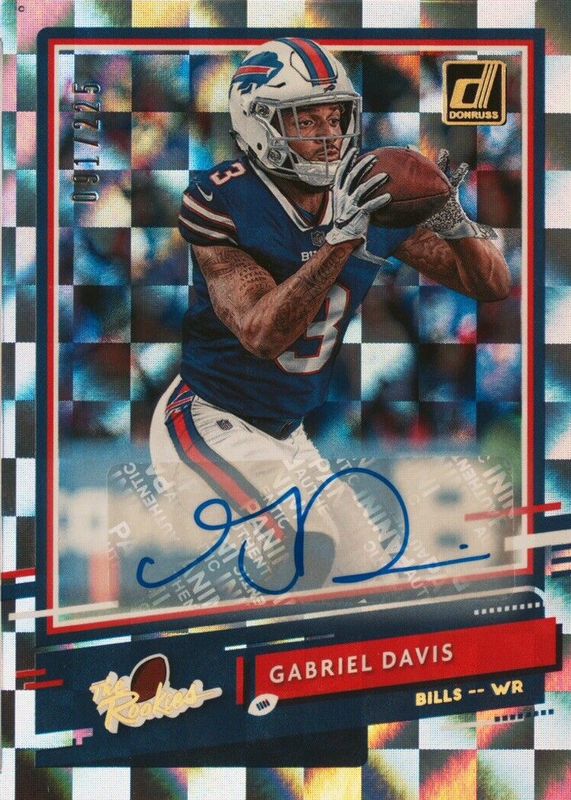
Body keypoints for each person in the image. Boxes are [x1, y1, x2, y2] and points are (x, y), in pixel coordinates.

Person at [145, 38, 511, 601]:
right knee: (301, 559)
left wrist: (451, 216)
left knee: (372, 581)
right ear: (259, 124)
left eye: (335, 116)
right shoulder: (223, 202)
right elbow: (262, 334)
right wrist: (340, 240)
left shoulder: (368, 192)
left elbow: (491, 285)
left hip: (287, 433)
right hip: (209, 422)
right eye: (306, 119)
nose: (329, 134)